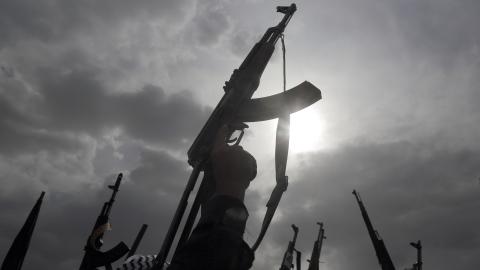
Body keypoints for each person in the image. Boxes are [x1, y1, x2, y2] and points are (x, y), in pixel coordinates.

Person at [168, 125, 257, 270]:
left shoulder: (216, 241)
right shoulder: (219, 243)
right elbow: (217, 255)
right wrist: (231, 183)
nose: (240, 148)